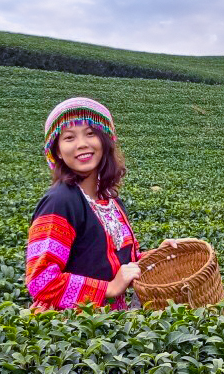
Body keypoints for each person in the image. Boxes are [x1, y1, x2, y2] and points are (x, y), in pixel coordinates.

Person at [26, 97, 171, 310]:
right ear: (57, 151)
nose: (82, 144)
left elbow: (123, 264)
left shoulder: (111, 201)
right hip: (68, 325)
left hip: (109, 323)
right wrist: (109, 288)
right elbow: (40, 280)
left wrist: (160, 256)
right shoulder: (60, 202)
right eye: (69, 137)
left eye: (90, 133)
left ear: (105, 141)